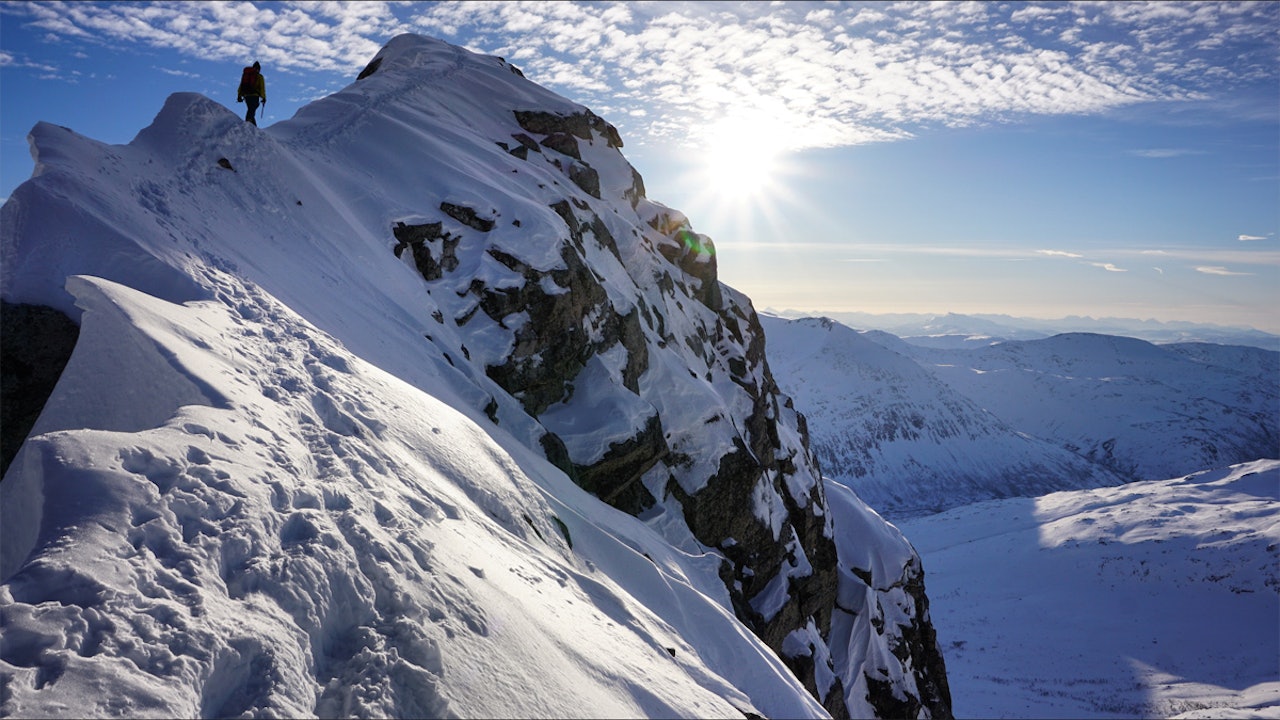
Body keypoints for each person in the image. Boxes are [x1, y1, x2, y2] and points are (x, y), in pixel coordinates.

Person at [236, 61, 266, 126]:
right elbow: (262, 88)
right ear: (259, 69)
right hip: (255, 96)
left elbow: (241, 85)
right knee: (251, 110)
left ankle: (253, 127)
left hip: (246, 96)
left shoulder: (246, 75)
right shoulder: (259, 76)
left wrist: (239, 96)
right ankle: (248, 123)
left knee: (251, 110)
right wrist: (264, 98)